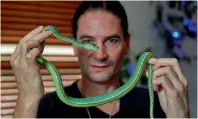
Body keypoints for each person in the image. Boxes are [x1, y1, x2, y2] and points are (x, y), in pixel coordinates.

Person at [11, 1, 190, 118]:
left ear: (127, 44)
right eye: (87, 41)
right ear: (74, 45)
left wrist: (181, 115)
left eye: (111, 40)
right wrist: (27, 98)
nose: (100, 54)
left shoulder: (159, 103)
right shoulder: (44, 108)